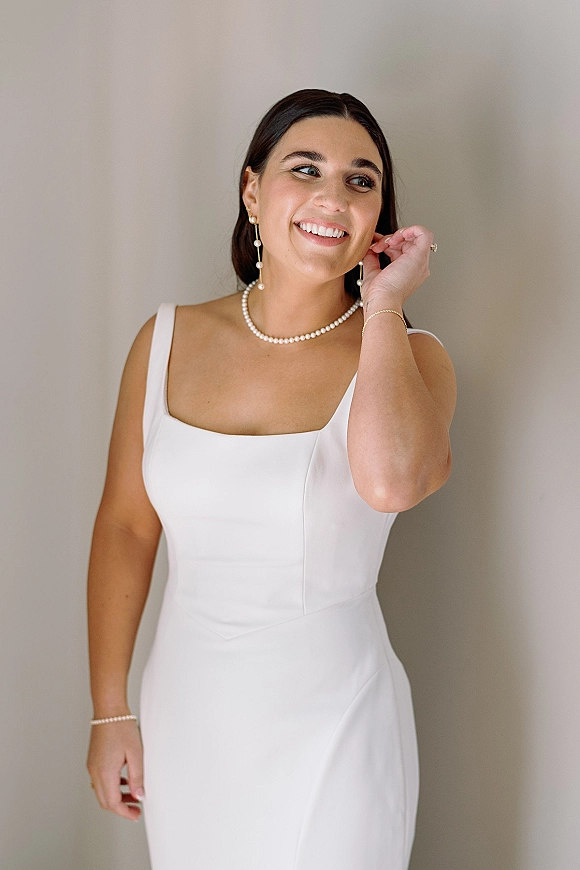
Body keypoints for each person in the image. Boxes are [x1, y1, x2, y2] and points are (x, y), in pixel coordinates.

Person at [86, 88, 456, 870]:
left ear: (380, 213)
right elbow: (126, 523)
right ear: (253, 190)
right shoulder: (167, 339)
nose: (334, 196)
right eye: (306, 168)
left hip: (337, 720)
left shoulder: (413, 358)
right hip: (190, 716)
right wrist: (108, 711)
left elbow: (391, 485)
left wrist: (384, 306)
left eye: (362, 180)